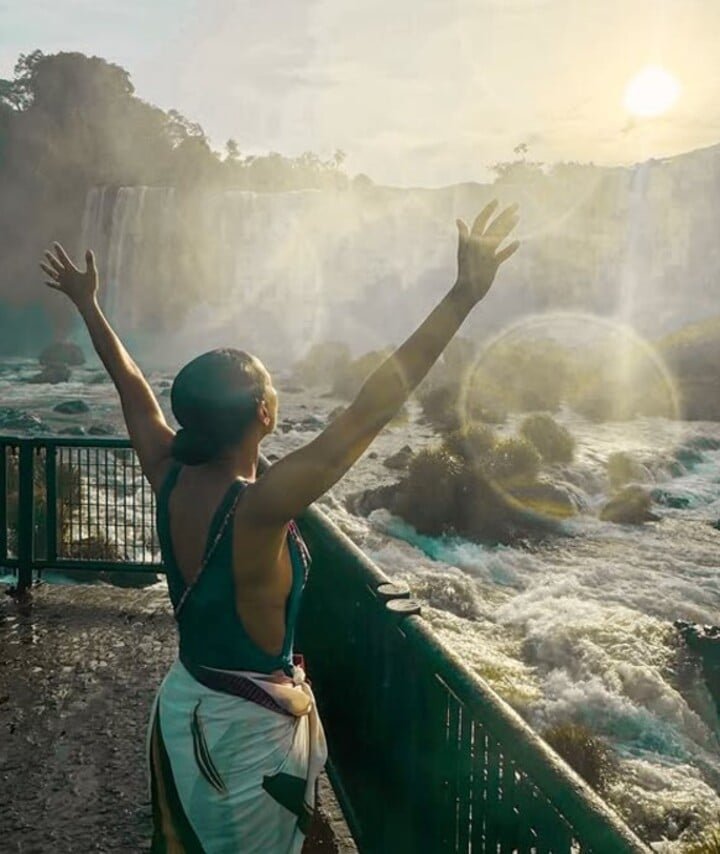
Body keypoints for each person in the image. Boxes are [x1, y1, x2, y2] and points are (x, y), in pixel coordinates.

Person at [40, 199, 519, 853]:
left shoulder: (167, 470)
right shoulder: (259, 509)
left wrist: (88, 304)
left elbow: (129, 384)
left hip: (187, 707)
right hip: (244, 738)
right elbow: (370, 408)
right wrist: (462, 297)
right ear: (264, 412)